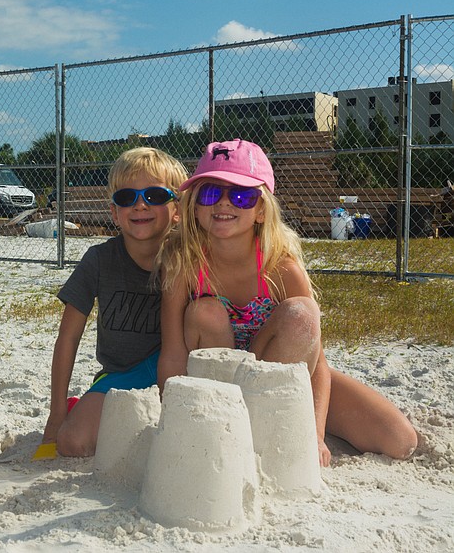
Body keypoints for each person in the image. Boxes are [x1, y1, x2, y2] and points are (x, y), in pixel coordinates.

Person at [157, 138, 417, 466]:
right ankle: (238, 430)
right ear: (194, 204)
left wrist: (315, 433)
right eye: (211, 193)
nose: (224, 204)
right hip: (218, 388)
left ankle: (276, 422)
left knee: (400, 440)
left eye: (241, 195)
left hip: (275, 373)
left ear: (262, 209)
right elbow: (172, 355)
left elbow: (317, 363)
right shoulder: (184, 265)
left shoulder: (279, 266)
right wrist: (171, 423)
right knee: (205, 312)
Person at [40, 147, 188, 458]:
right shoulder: (99, 260)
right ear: (114, 213)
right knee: (72, 443)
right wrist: (56, 416)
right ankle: (78, 408)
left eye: (155, 195)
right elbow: (67, 338)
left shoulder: (188, 257)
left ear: (177, 210)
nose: (140, 205)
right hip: (119, 376)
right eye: (126, 198)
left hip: (176, 370)